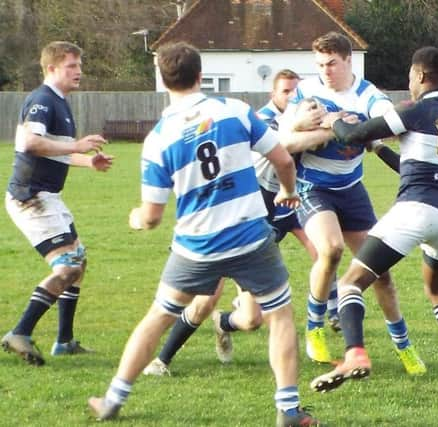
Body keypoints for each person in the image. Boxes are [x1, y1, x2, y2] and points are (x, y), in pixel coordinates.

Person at [87, 42, 321, 427]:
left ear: (163, 81)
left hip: (197, 247)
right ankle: (288, 410)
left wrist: (134, 219)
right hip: (249, 237)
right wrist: (289, 192)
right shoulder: (235, 110)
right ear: (200, 75)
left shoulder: (158, 139)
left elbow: (151, 218)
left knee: (157, 317)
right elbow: (281, 159)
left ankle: (113, 399)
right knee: (279, 316)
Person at [309, 46, 438, 393]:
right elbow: (414, 165)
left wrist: (334, 122)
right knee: (437, 290)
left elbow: (353, 135)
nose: (409, 82)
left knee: (350, 283)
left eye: (409, 76)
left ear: (420, 75)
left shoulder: (416, 110)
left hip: (416, 209)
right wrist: (381, 151)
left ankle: (355, 353)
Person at [142, 69, 339, 376]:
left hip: (279, 210)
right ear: (273, 94)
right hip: (236, 213)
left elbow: (304, 143)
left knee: (252, 318)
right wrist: (333, 129)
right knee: (206, 299)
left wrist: (332, 126)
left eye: (295, 93)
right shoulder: (260, 118)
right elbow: (285, 144)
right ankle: (161, 360)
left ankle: (225, 323)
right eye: (285, 91)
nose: (292, 97)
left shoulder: (301, 120)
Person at [277, 31, 425, 374]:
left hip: (352, 189)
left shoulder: (368, 94)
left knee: (381, 274)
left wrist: (348, 125)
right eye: (320, 65)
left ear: (348, 61)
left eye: (331, 63)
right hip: (313, 186)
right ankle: (314, 327)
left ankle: (404, 345)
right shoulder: (306, 93)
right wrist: (335, 128)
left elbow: (383, 127)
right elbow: (284, 142)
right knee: (330, 250)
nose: (325, 71)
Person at [2, 41, 113, 366]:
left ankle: (64, 340)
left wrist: (86, 161)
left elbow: (58, 149)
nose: (79, 71)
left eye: (79, 65)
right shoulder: (42, 100)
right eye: (71, 66)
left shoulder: (60, 102)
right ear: (51, 68)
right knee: (68, 268)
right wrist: (79, 145)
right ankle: (19, 332)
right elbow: (30, 143)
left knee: (80, 262)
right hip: (31, 198)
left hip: (48, 196)